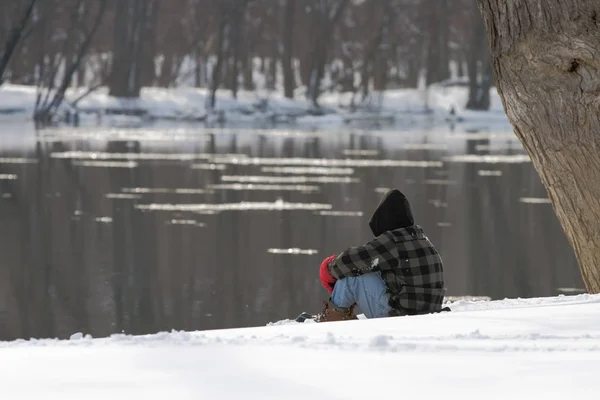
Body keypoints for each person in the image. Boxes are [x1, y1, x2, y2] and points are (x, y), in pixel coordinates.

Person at [315, 189, 446, 322]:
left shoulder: (394, 241)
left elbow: (351, 261)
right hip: (429, 315)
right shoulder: (424, 242)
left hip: (400, 317)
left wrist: (329, 267)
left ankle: (333, 317)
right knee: (369, 269)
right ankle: (338, 312)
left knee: (353, 276)